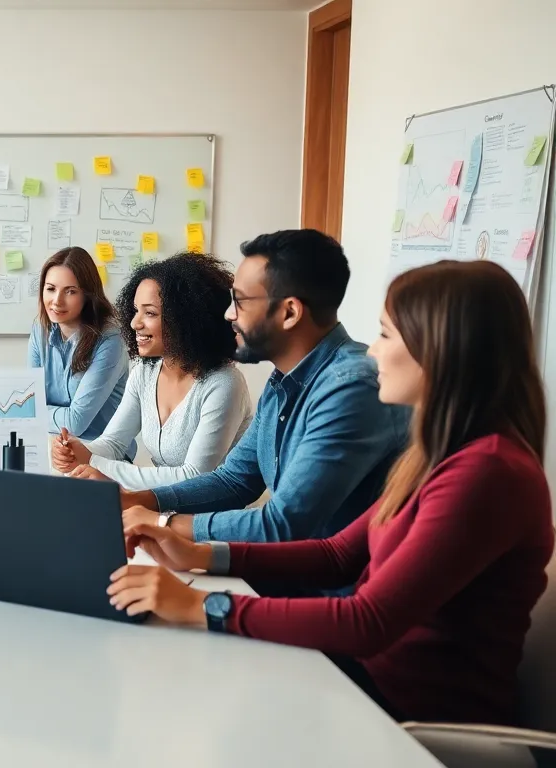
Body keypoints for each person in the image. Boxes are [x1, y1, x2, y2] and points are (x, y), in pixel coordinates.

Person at [108, 260, 553, 727]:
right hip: (366, 681)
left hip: (413, 719)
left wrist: (201, 604)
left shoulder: (487, 472)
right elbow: (339, 553)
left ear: (442, 350)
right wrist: (200, 554)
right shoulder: (440, 454)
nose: (374, 353)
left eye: (386, 335)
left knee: (188, 701)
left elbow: (369, 621)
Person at [116, 230, 410, 545]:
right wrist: (139, 501)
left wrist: (163, 522)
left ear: (289, 313)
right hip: (289, 572)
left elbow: (283, 523)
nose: (229, 314)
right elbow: (232, 482)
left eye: (240, 301)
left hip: (333, 586)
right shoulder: (282, 381)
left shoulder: (351, 388)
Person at [51, 253, 252, 489]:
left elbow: (195, 477)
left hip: (211, 518)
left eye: (150, 313)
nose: (135, 323)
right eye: (136, 310)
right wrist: (80, 451)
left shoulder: (224, 383)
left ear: (185, 320)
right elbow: (114, 443)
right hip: (161, 507)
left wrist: (94, 462)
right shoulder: (144, 373)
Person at [28, 246, 131, 441]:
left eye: (70, 292)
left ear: (87, 295)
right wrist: (31, 412)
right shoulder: (40, 329)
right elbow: (29, 401)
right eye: (50, 289)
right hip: (52, 442)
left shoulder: (110, 340)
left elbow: (76, 423)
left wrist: (35, 414)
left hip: (98, 452)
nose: (56, 301)